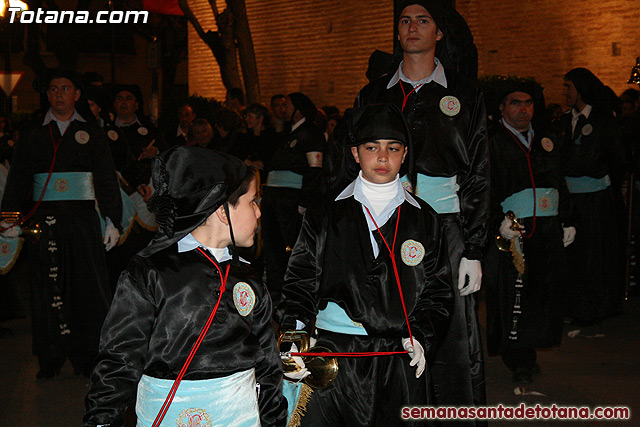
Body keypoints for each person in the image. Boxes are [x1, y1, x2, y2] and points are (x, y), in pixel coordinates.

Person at [84, 146, 288, 427]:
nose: (258, 212)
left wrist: (274, 420)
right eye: (252, 202)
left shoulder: (248, 278)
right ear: (222, 211)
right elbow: (120, 357)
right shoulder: (152, 272)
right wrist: (103, 419)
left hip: (239, 415)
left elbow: (267, 363)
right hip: (167, 414)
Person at [276, 103, 452, 426]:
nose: (383, 158)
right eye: (372, 148)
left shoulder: (425, 220)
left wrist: (422, 336)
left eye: (393, 148)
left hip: (399, 358)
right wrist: (295, 338)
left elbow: (438, 291)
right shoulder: (325, 215)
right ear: (355, 153)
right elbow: (299, 283)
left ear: (405, 153)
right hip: (336, 357)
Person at [355, 0, 488, 412]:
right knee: (385, 326)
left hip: (446, 232)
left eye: (423, 20)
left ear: (440, 31)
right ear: (397, 32)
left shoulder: (463, 94)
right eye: (405, 20)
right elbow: (347, 164)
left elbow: (479, 171)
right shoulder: (375, 93)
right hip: (383, 226)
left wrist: (473, 250)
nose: (413, 27)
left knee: (451, 335)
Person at [1, 69, 122, 378]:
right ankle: (50, 356)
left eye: (65, 88)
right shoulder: (33, 131)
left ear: (77, 94)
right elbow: (18, 178)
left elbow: (106, 177)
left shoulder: (91, 131)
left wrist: (112, 220)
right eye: (53, 89)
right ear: (47, 94)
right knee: (45, 284)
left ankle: (87, 355)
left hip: (82, 219)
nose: (58, 94)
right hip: (44, 220)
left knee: (86, 286)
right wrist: (11, 218)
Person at [484, 79, 575, 384]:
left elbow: (559, 179)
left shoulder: (546, 138)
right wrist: (497, 220)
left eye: (528, 103)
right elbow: (484, 186)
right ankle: (518, 357)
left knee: (543, 293)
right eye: (515, 103)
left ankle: (530, 350)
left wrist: (566, 219)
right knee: (515, 296)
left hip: (548, 229)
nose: (523, 110)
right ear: (501, 108)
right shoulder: (492, 140)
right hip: (514, 232)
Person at [559, 68, 628, 326]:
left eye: (569, 87)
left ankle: (596, 306)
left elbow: (618, 159)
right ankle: (574, 305)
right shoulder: (565, 122)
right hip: (571, 200)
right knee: (573, 256)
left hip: (596, 199)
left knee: (595, 256)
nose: (565, 92)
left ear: (581, 89)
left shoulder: (603, 121)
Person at [261, 92, 325, 302]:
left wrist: (304, 202)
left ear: (298, 109)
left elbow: (315, 170)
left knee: (290, 245)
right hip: (274, 197)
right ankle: (276, 287)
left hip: (290, 199)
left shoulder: (311, 133)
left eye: (286, 105)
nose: (283, 109)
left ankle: (293, 289)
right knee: (273, 244)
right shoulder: (287, 133)